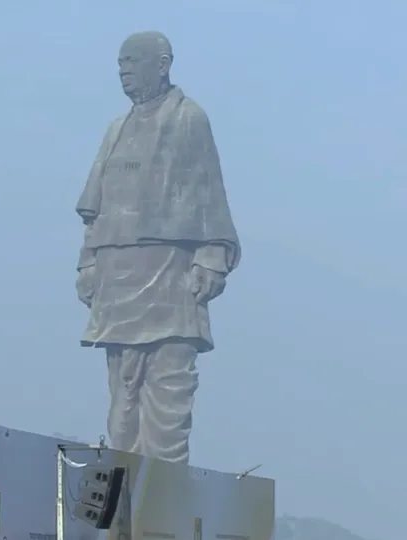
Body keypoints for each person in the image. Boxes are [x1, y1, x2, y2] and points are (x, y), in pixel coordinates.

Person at [75, 31, 240, 464]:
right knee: (122, 403)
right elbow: (95, 210)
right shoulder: (117, 129)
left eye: (132, 60)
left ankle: (162, 509)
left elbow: (210, 193)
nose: (124, 70)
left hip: (169, 274)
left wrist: (211, 258)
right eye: (120, 63)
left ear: (162, 63)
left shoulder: (189, 118)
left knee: (168, 398)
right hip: (117, 278)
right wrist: (87, 263)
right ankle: (123, 506)